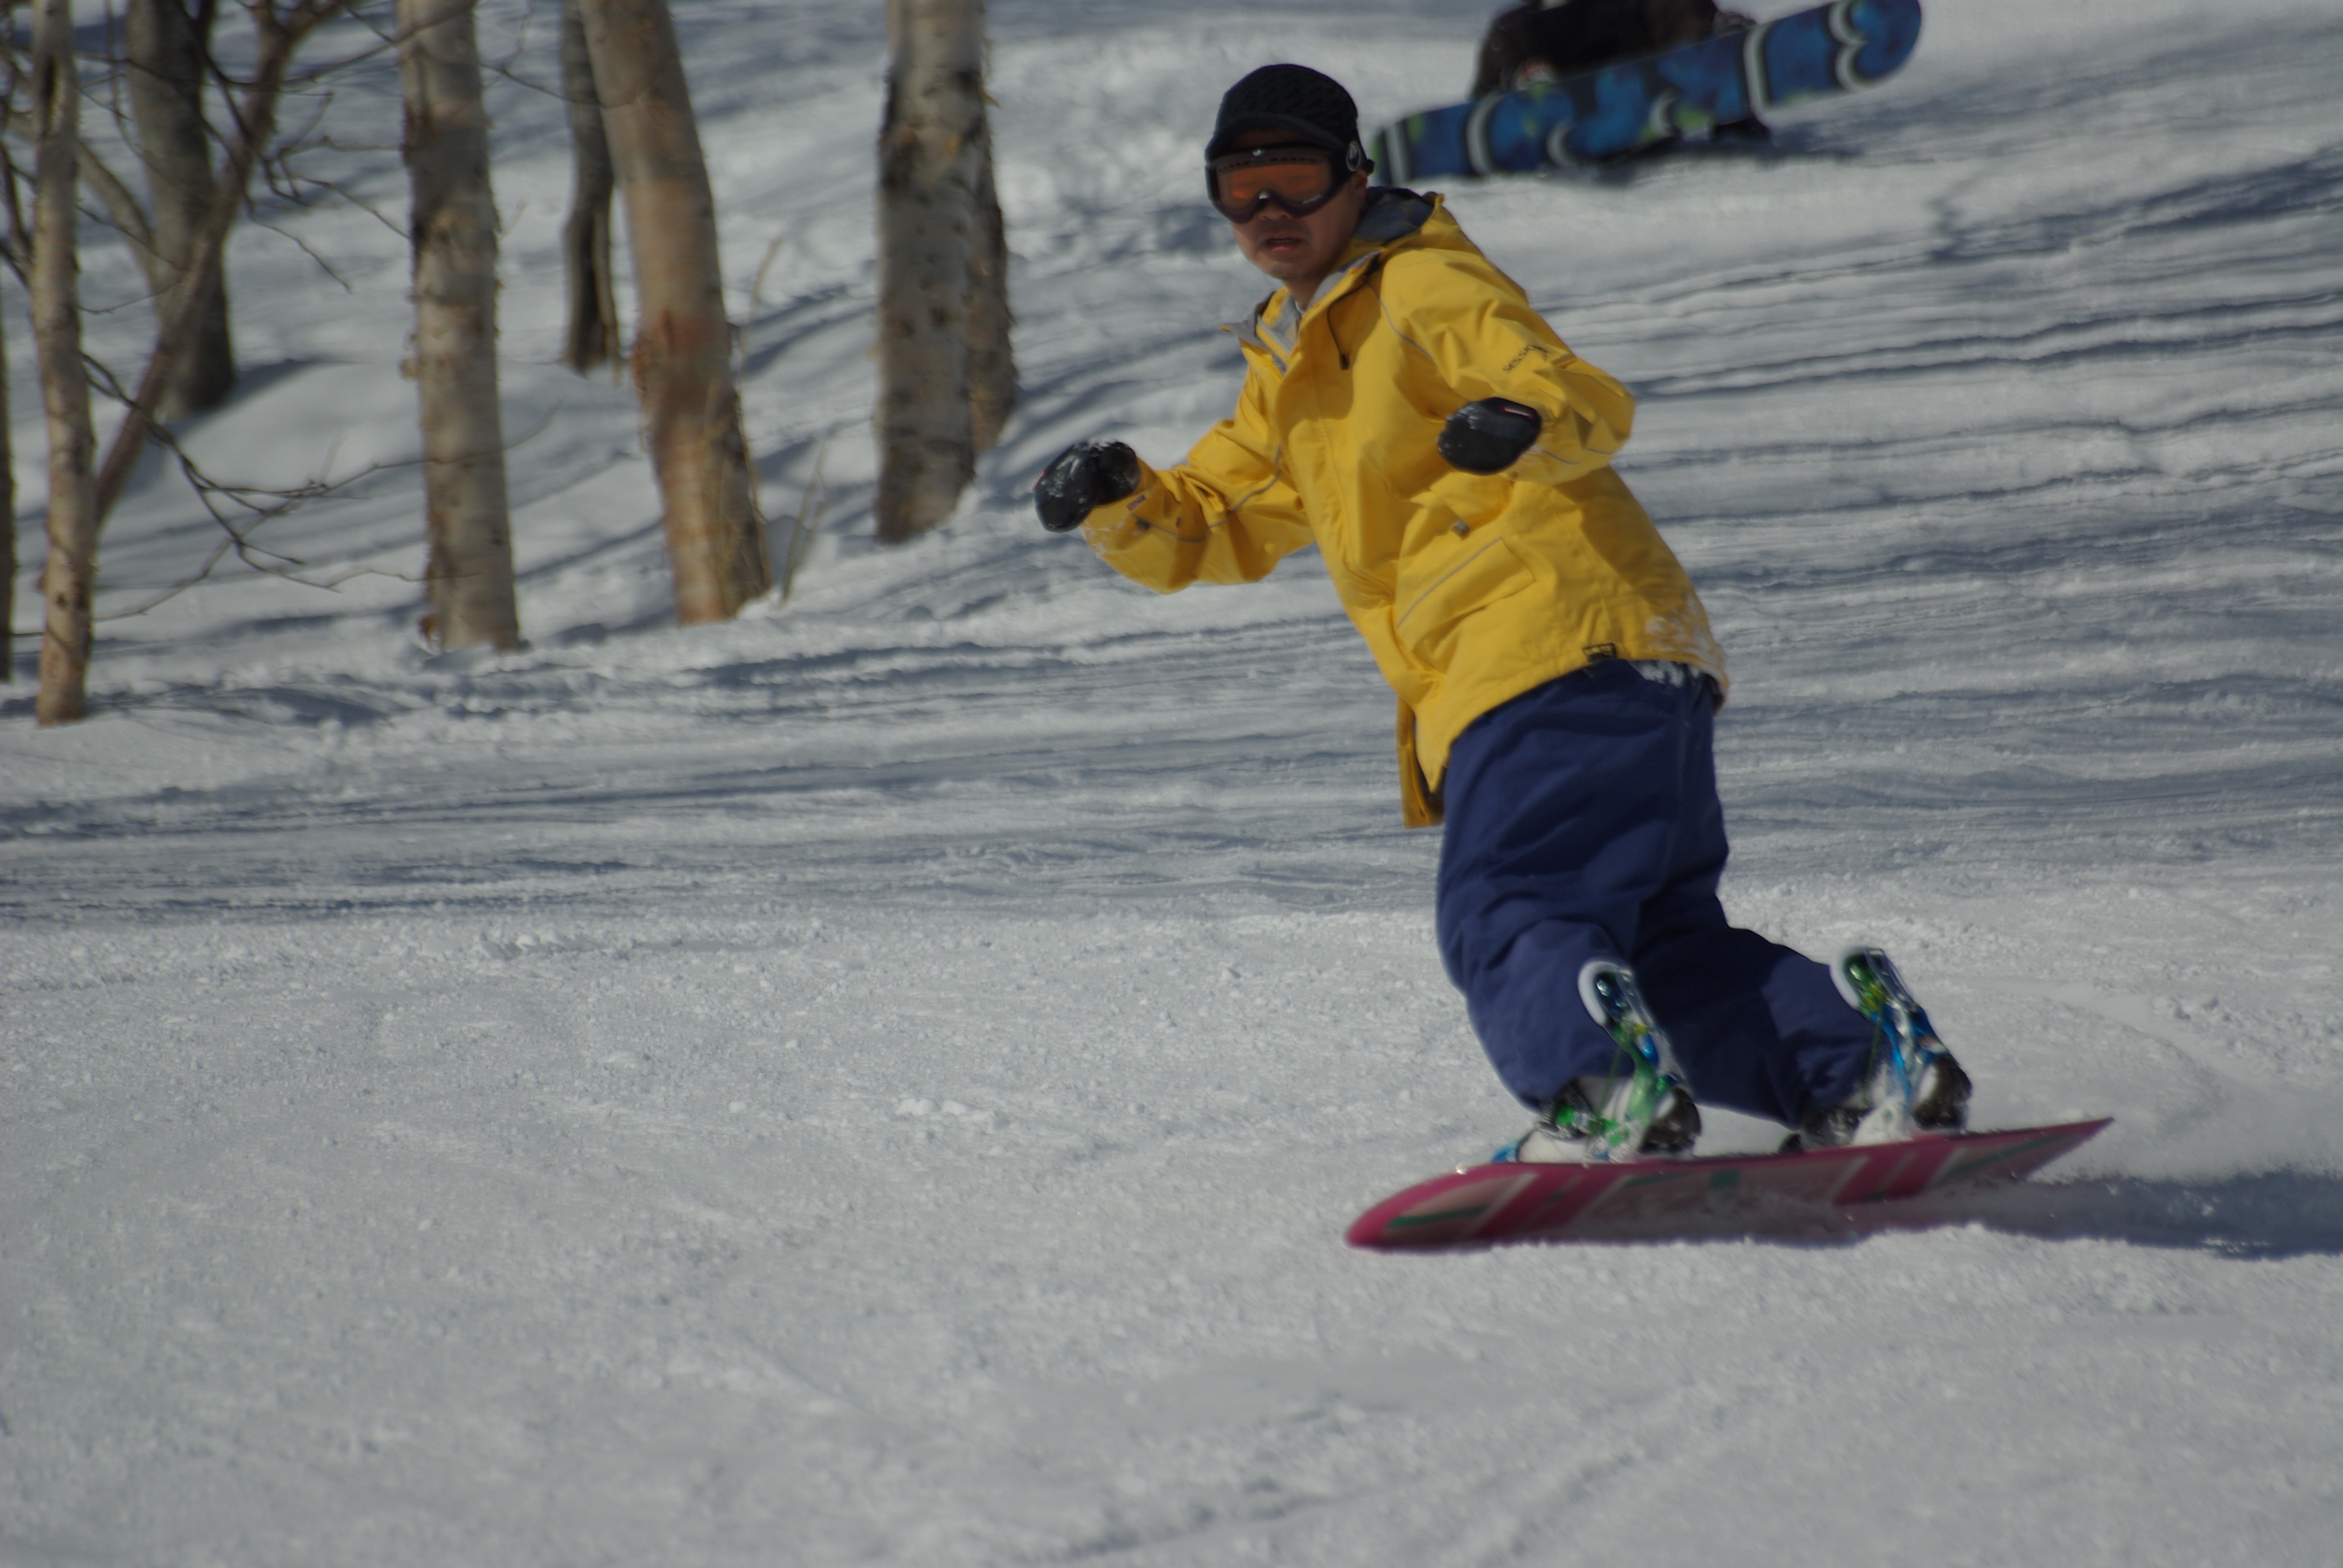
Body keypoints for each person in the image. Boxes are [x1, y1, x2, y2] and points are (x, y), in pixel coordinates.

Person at [1032, 64, 1967, 1161]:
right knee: (1655, 950)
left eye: (1293, 179)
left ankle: (1598, 1091)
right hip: (1637, 660)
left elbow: (1572, 392)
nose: (1268, 212)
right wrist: (1120, 501)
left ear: (1354, 176)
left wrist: (1522, 421)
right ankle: (1861, 1074)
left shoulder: (1423, 284)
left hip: (1539, 647)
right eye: (1239, 189)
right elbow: (1212, 523)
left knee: (1509, 906)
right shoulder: (1290, 365)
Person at [1473, 0, 1771, 146]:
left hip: (1645, 79)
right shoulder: (1521, 25)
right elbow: (1472, 108)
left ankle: (1715, 53)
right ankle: (1526, 93)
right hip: (1567, 88)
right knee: (1515, 28)